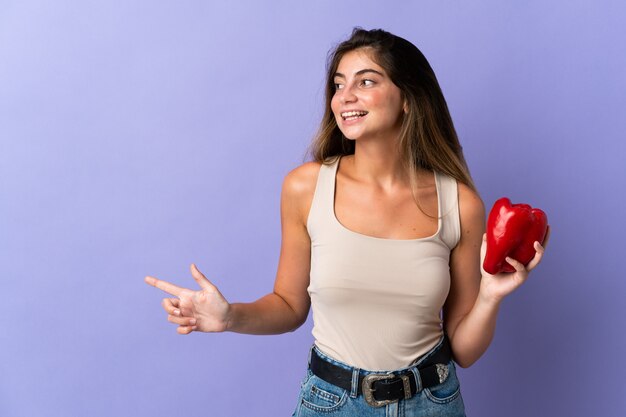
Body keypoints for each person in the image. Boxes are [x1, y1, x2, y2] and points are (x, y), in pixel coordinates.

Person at [144, 28, 549, 416]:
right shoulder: (305, 187)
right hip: (331, 403)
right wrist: (229, 316)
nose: (345, 97)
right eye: (338, 85)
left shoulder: (459, 203)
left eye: (366, 82)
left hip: (432, 403)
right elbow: (288, 306)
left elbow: (464, 349)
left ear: (407, 98)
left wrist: (491, 296)